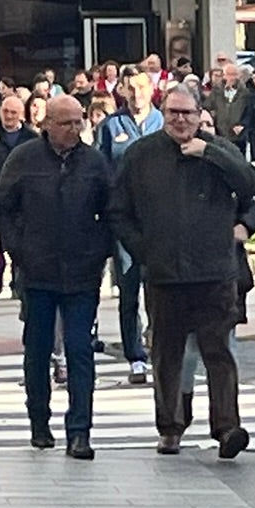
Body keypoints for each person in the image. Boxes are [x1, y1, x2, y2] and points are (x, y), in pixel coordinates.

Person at [107, 83, 255, 458]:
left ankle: (227, 428)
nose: (181, 120)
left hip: (215, 272)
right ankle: (171, 428)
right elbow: (118, 210)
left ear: (199, 115)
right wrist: (143, 250)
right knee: (167, 354)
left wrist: (209, 153)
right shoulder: (141, 155)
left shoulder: (218, 149)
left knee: (219, 354)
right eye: (173, 113)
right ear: (164, 114)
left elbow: (250, 186)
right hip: (165, 274)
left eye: (188, 114)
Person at [0, 95, 115, 459]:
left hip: (82, 272)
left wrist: (99, 250)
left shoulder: (93, 162)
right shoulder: (25, 158)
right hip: (38, 271)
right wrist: (20, 248)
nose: (74, 130)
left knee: (79, 351)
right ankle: (39, 423)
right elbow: (0, 207)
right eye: (66, 123)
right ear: (48, 124)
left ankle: (80, 431)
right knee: (38, 349)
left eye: (79, 122)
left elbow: (112, 210)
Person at [98, 70, 165, 385]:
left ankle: (161, 349)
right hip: (125, 225)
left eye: (142, 87)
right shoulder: (111, 127)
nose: (137, 93)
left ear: (151, 89)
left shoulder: (165, 123)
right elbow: (99, 172)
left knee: (160, 291)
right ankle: (135, 357)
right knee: (128, 292)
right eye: (131, 88)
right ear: (122, 91)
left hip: (160, 223)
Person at [0, 94, 35, 296]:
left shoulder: (31, 138)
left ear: (21, 115)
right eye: (5, 112)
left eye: (13, 112)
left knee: (19, 241)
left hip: (22, 199)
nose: (8, 116)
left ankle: (16, 281)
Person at [204, 60, 254, 154]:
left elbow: (250, 112)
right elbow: (208, 107)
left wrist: (243, 125)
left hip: (238, 135)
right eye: (229, 74)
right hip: (221, 133)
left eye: (234, 74)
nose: (232, 77)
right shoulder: (217, 91)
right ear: (224, 75)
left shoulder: (245, 92)